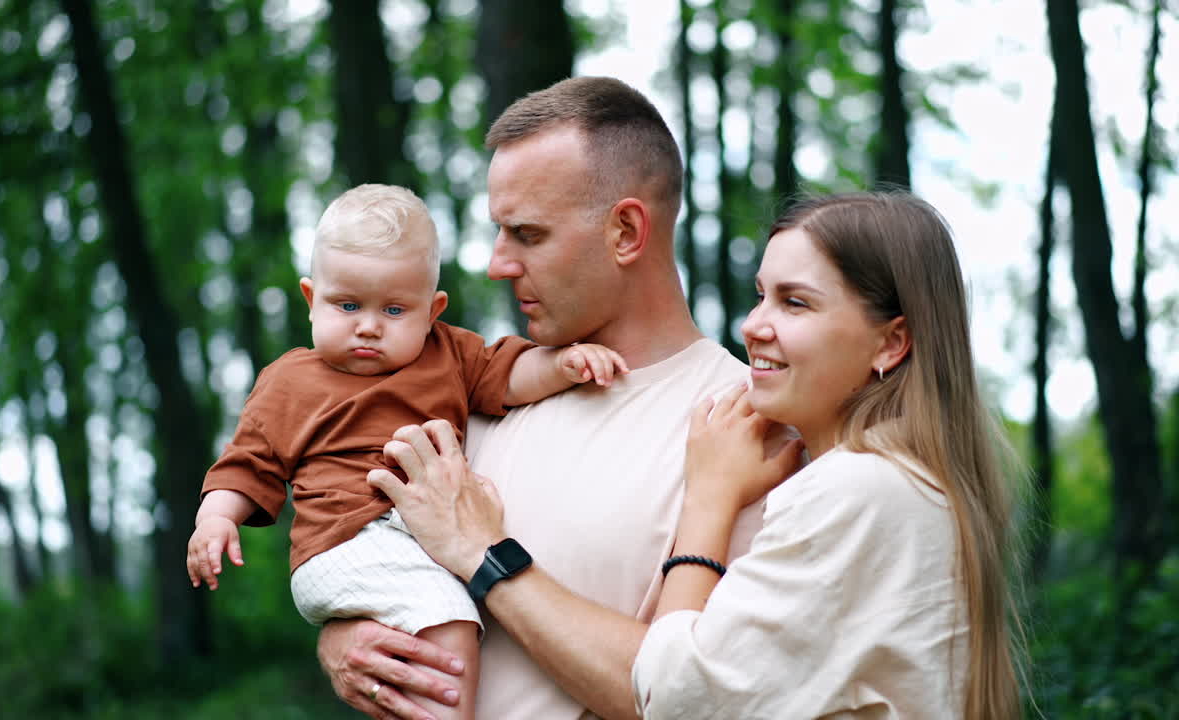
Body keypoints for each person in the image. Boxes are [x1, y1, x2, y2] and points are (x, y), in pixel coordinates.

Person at [370, 191, 1025, 719]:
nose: (754, 325)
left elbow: (677, 697)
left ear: (890, 344)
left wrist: (483, 550)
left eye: (795, 302)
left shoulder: (862, 490)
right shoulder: (892, 483)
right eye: (761, 294)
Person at [316, 77, 764, 720]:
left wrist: (484, 554)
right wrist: (344, 639)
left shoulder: (746, 427)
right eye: (499, 231)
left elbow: (699, 694)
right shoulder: (469, 388)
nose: (498, 263)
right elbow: (372, 566)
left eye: (527, 234)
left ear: (625, 231)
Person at [184, 183, 627, 720]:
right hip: (346, 536)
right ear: (310, 299)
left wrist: (562, 365)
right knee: (447, 618)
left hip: (415, 539)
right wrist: (215, 520)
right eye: (347, 305)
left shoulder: (450, 354)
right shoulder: (288, 381)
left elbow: (510, 374)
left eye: (394, 309)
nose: (368, 326)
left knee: (431, 628)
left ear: (432, 310)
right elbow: (247, 464)